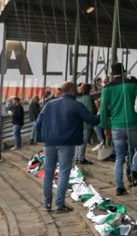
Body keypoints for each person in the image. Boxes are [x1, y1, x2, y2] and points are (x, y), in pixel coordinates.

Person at [35, 83, 100, 212]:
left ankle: (46, 203)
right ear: (71, 90)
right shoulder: (76, 105)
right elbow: (92, 121)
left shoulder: (49, 104)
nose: (77, 90)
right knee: (64, 172)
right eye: (76, 89)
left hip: (50, 142)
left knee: (48, 172)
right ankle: (59, 204)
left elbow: (38, 122)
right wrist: (100, 111)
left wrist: (42, 137)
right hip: (66, 142)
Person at [100, 62, 137, 195]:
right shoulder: (133, 85)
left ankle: (119, 187)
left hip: (116, 126)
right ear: (124, 71)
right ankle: (134, 170)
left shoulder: (107, 88)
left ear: (112, 73)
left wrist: (105, 126)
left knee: (119, 157)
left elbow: (103, 109)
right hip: (133, 124)